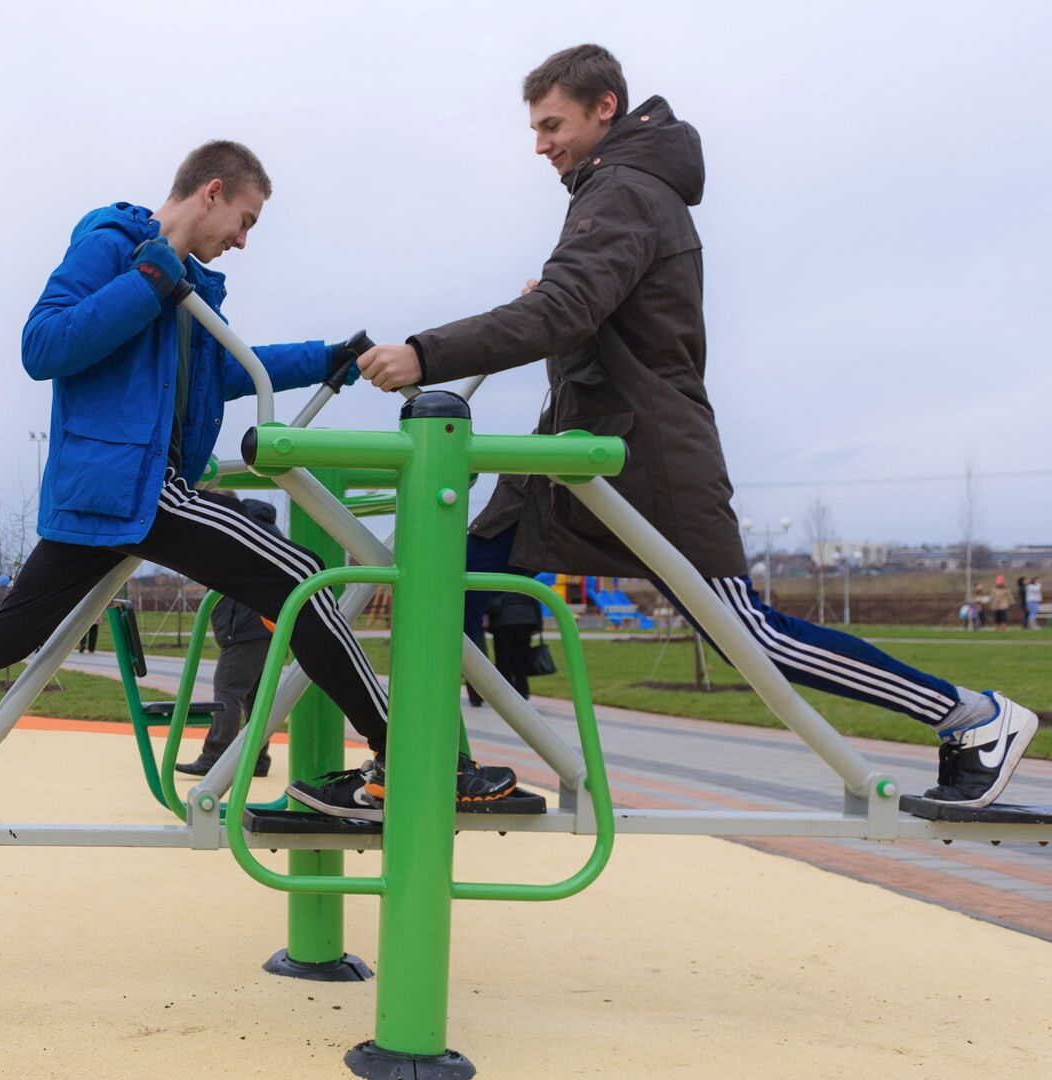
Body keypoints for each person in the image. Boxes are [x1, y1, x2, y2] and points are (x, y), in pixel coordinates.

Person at [354, 44, 1039, 808]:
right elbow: (586, 311)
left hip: (650, 457)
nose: (539, 145)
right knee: (448, 585)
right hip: (577, 454)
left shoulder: (623, 191)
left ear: (604, 107)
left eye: (552, 125)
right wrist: (558, 297)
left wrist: (424, 353)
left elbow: (562, 312)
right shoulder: (614, 191)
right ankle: (417, 765)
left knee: (750, 636)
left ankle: (975, 718)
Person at [0, 139, 516, 820]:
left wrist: (328, 357)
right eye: (245, 220)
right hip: (132, 483)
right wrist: (146, 280)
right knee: (301, 576)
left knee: (12, 631)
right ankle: (415, 762)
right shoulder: (114, 244)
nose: (244, 239)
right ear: (212, 191)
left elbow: (222, 374)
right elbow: (44, 345)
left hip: (117, 493)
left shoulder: (188, 287)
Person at [175, 498, 281, 779]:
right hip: (267, 626)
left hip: (244, 627)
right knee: (255, 696)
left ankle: (215, 756)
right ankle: (258, 759)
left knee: (228, 690)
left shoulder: (242, 533)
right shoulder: (267, 534)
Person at [485, 591, 543, 701]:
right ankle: (523, 690)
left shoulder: (498, 582)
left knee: (503, 659)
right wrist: (538, 625)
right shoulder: (525, 580)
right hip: (525, 620)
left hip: (502, 621)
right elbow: (535, 602)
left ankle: (506, 691)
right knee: (520, 658)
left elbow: (491, 603)